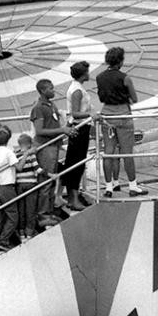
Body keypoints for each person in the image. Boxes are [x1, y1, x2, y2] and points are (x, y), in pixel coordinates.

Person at [96, 46, 148, 197]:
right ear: (120, 61)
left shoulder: (99, 77)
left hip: (107, 117)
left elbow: (101, 98)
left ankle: (109, 187)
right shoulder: (125, 78)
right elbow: (135, 98)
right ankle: (133, 186)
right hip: (124, 116)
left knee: (108, 153)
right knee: (127, 153)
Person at [29, 78, 74, 216]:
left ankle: (49, 210)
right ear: (42, 90)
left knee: (53, 182)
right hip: (45, 148)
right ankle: (43, 214)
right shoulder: (38, 108)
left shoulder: (51, 105)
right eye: (50, 88)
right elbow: (40, 131)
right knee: (46, 183)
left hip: (54, 146)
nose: (53, 90)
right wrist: (62, 130)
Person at [62, 61, 96, 211]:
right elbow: (75, 112)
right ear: (83, 74)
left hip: (80, 127)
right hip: (80, 128)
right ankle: (73, 198)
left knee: (76, 162)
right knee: (76, 163)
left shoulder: (76, 87)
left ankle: (73, 197)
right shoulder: (77, 90)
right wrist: (91, 114)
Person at [14, 134, 41, 239]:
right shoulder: (31, 154)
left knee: (21, 209)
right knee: (31, 209)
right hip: (31, 185)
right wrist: (49, 174)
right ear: (30, 144)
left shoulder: (15, 154)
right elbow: (37, 169)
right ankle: (29, 232)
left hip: (20, 185)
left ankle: (21, 233)